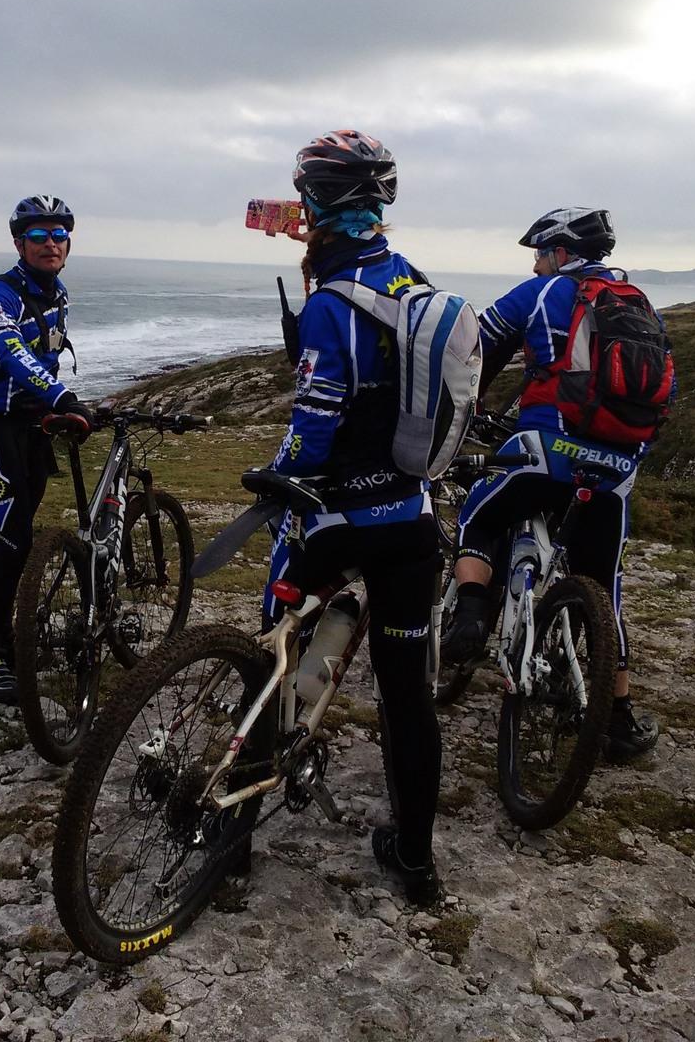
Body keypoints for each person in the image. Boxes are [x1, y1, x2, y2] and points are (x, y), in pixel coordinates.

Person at [261, 130, 446, 905]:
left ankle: (230, 825)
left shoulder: (331, 303)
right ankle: (415, 858)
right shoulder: (414, 284)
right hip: (410, 517)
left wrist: (280, 475)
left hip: (338, 518)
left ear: (315, 203)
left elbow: (315, 421)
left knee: (272, 641)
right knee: (407, 694)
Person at [443, 207, 669, 762]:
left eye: (541, 254)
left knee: (480, 513)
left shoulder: (542, 292)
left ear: (562, 253)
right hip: (616, 466)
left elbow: (478, 348)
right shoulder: (639, 304)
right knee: (603, 585)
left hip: (549, 449)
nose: (536, 265)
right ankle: (617, 718)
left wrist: (466, 413)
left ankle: (469, 617)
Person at [0, 195, 90, 704]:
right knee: (12, 536)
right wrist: (60, 396)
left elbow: (49, 356)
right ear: (19, 244)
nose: (50, 243)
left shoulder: (59, 294)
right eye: (38, 235)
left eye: (59, 235)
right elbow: (7, 347)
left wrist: (58, 405)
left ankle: (7, 637)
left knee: (22, 532)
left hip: (33, 425)